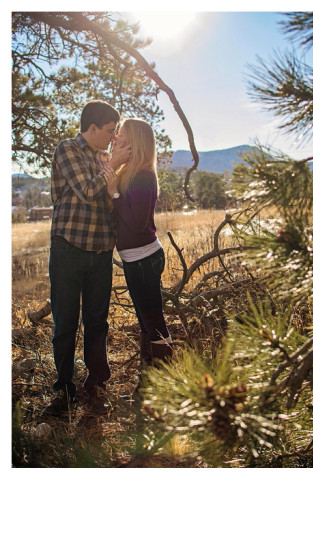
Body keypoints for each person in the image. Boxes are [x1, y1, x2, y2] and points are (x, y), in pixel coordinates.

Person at [44, 100, 130, 417]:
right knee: (66, 322)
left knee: (97, 323)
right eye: (109, 131)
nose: (112, 138)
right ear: (92, 128)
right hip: (68, 249)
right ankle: (63, 393)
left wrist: (114, 174)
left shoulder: (104, 158)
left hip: (100, 252)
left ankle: (96, 388)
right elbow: (88, 191)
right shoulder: (68, 149)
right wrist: (116, 165)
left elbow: (110, 201)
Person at [106, 118, 173, 399]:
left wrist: (114, 192)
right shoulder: (127, 172)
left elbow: (135, 222)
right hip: (136, 259)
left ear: (134, 140)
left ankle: (163, 386)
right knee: (147, 323)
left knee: (153, 323)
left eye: (120, 133)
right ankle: (148, 386)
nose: (116, 136)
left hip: (145, 259)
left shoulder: (144, 175)